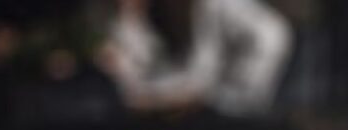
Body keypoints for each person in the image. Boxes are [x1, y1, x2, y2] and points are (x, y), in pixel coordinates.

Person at [102, 0, 293, 115]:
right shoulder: (156, 14)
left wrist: (147, 97)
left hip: (237, 102)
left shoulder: (209, 7)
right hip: (218, 97)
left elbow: (199, 78)